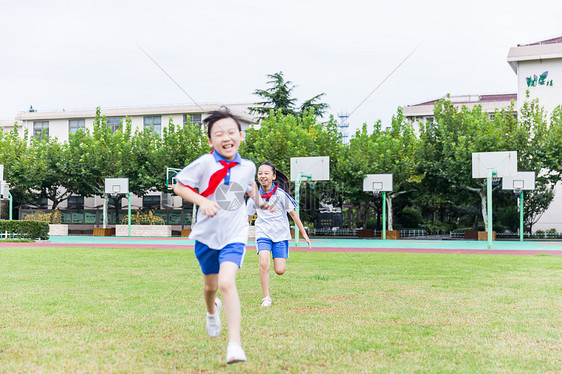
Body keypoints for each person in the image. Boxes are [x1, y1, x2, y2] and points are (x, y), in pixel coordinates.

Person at [173, 109, 272, 364]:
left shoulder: (248, 166)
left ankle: (235, 345)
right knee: (210, 287)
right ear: (210, 141)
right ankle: (211, 311)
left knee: (227, 282)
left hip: (235, 234)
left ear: (240, 135)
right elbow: (179, 185)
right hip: (206, 236)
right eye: (219, 134)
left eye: (230, 132)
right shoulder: (206, 163)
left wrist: (260, 204)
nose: (225, 137)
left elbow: (250, 187)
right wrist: (202, 201)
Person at [247, 161, 311, 307]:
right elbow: (248, 217)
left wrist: (304, 234)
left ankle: (279, 263)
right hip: (263, 232)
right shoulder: (254, 197)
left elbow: (294, 215)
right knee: (263, 263)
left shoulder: (281, 195)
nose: (262, 176)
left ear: (273, 176)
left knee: (280, 270)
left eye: (266, 173)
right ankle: (266, 297)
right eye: (260, 173)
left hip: (280, 235)